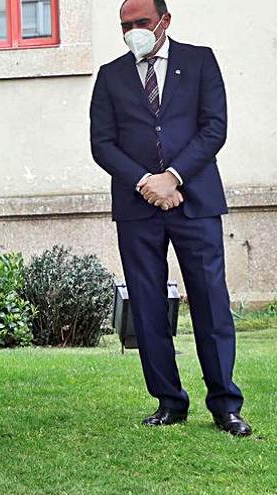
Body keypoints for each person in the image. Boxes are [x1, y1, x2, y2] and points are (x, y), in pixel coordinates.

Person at [90, 0, 251, 436]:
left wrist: (173, 177)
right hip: (137, 206)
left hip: (195, 201)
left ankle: (225, 404)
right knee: (146, 305)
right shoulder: (110, 76)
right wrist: (147, 181)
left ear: (165, 21)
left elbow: (214, 128)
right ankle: (168, 401)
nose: (133, 31)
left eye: (141, 22)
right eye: (125, 25)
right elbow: (102, 144)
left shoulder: (199, 61)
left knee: (210, 301)